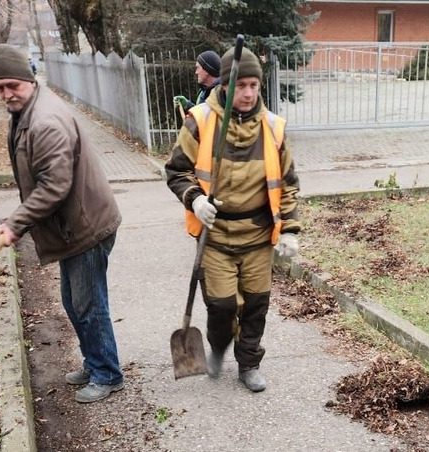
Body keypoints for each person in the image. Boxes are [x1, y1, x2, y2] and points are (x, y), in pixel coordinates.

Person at [0, 44, 124, 404]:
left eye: (12, 85)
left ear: (28, 80)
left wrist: (17, 223)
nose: (6, 94)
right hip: (73, 225)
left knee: (87, 304)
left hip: (85, 227)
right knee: (75, 301)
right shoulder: (27, 111)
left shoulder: (45, 121)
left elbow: (54, 185)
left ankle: (107, 373)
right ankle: (95, 362)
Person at [165, 45, 300, 392]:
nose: (249, 93)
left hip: (257, 235)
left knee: (256, 305)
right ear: (225, 85)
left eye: (254, 86)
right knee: (222, 306)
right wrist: (194, 201)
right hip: (216, 235)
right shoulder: (200, 121)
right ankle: (220, 346)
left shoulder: (273, 127)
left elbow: (287, 184)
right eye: (241, 86)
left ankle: (249, 362)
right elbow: (177, 171)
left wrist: (289, 230)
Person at [173, 50, 221, 114]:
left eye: (198, 68)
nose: (196, 72)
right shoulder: (203, 91)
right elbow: (201, 115)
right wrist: (187, 106)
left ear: (207, 70)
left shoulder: (221, 95)